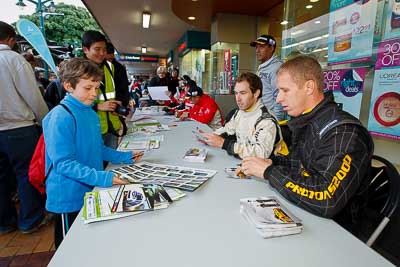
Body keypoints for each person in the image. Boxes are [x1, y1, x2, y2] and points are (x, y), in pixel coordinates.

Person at [239, 56, 374, 218]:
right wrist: (271, 162)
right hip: (305, 212)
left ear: (309, 87)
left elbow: (327, 199)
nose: (278, 98)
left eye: (285, 90)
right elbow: (299, 163)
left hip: (339, 228)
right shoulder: (307, 120)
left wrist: (269, 172)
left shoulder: (344, 132)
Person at [43, 58, 143, 248]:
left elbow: (98, 148)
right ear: (68, 86)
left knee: (87, 244)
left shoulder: (89, 112)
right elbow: (63, 164)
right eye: (88, 88)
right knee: (69, 249)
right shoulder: (60, 116)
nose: (94, 94)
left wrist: (125, 156)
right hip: (69, 196)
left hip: (90, 188)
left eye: (97, 88)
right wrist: (104, 178)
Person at [0, 21, 49, 235]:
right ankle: (30, 219)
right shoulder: (13, 60)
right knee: (26, 174)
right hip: (19, 128)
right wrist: (45, 121)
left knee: (1, 178)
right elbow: (33, 96)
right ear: (11, 39)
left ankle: (4, 221)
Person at [199, 72, 282, 159]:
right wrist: (210, 137)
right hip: (243, 162)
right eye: (236, 93)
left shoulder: (266, 120)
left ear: (256, 93)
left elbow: (261, 153)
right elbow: (227, 130)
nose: (238, 99)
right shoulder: (240, 112)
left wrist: (224, 144)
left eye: (243, 93)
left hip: (262, 168)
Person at [82, 31, 125, 149]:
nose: (102, 53)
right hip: (91, 129)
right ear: (85, 49)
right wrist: (98, 106)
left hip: (112, 126)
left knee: (110, 163)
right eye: (97, 49)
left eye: (104, 49)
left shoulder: (111, 67)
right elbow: (72, 104)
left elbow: (119, 91)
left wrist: (118, 103)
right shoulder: (78, 70)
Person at [250, 34, 285, 121]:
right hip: (263, 115)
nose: (257, 50)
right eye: (256, 47)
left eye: (261, 47)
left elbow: (280, 97)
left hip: (271, 119)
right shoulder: (264, 66)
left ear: (271, 48)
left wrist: (277, 122)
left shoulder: (276, 68)